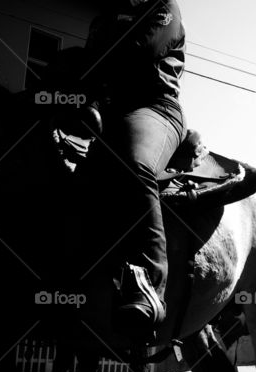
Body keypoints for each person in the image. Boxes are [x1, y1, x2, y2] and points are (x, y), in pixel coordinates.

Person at [75, 0, 187, 339]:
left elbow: (140, 49)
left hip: (155, 109)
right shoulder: (105, 15)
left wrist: (84, 67)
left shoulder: (162, 7)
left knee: (135, 163)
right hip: (109, 113)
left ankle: (149, 285)